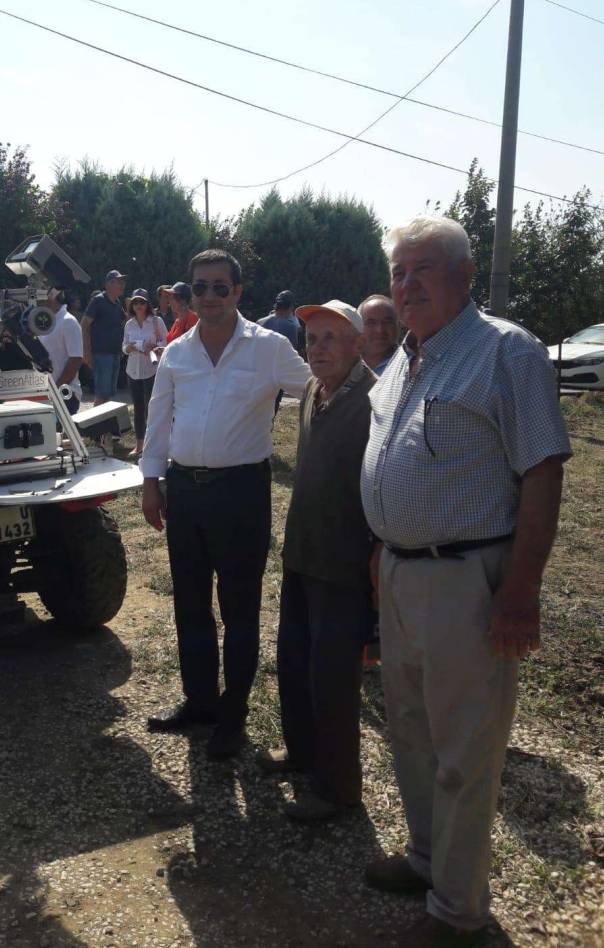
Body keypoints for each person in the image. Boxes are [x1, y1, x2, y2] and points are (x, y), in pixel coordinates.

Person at [360, 216, 571, 948]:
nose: (407, 285)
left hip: (466, 579)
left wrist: (520, 590)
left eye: (423, 269)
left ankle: (458, 912)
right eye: (398, 272)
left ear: (463, 277)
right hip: (400, 571)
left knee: (463, 748)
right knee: (411, 732)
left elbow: (542, 470)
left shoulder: (505, 352)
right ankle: (427, 859)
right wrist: (382, 551)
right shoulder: (402, 359)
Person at [141, 249, 311, 760]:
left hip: (241, 492)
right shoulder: (177, 352)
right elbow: (158, 419)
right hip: (185, 491)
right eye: (200, 287)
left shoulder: (270, 347)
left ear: (237, 292)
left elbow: (318, 391)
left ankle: (233, 716)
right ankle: (200, 702)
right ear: (189, 293)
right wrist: (151, 482)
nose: (209, 296)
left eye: (220, 287)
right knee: (190, 602)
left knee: (239, 608)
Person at [257, 300, 376, 822]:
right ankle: (302, 753)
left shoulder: (376, 398)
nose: (318, 348)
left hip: (345, 560)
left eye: (331, 338)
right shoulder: (311, 389)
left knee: (333, 677)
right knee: (294, 660)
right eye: (312, 338)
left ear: (357, 344)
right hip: (303, 551)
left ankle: (337, 787)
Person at [123, 290, 168, 458]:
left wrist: (154, 346)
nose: (139, 305)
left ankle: (153, 444)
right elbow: (124, 345)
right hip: (133, 370)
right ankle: (139, 444)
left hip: (151, 368)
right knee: (138, 407)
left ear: (147, 304)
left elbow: (167, 340)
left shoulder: (156, 321)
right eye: (135, 302)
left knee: (152, 407)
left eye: (142, 302)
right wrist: (129, 348)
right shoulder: (130, 324)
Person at [82, 270, 127, 406]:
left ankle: (103, 419)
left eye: (122, 282)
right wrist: (86, 351)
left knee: (107, 396)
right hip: (101, 354)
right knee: (101, 396)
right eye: (119, 282)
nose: (122, 285)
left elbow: (125, 322)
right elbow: (84, 323)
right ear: (109, 284)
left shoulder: (117, 303)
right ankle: (96, 420)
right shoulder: (98, 301)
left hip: (115, 354)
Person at [39, 288, 84, 414]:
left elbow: (76, 359)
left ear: (52, 294)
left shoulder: (68, 321)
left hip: (65, 394)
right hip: (46, 393)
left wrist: (55, 389)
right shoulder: (42, 322)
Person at [258, 290, 300, 414]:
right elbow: (292, 353)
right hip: (277, 374)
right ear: (290, 307)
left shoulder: (260, 322)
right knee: (272, 409)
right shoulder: (290, 327)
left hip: (258, 372)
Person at [358, 294, 400, 376]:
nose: (380, 330)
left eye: (387, 322)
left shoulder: (411, 365)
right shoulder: (345, 366)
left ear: (399, 326)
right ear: (358, 328)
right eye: (371, 323)